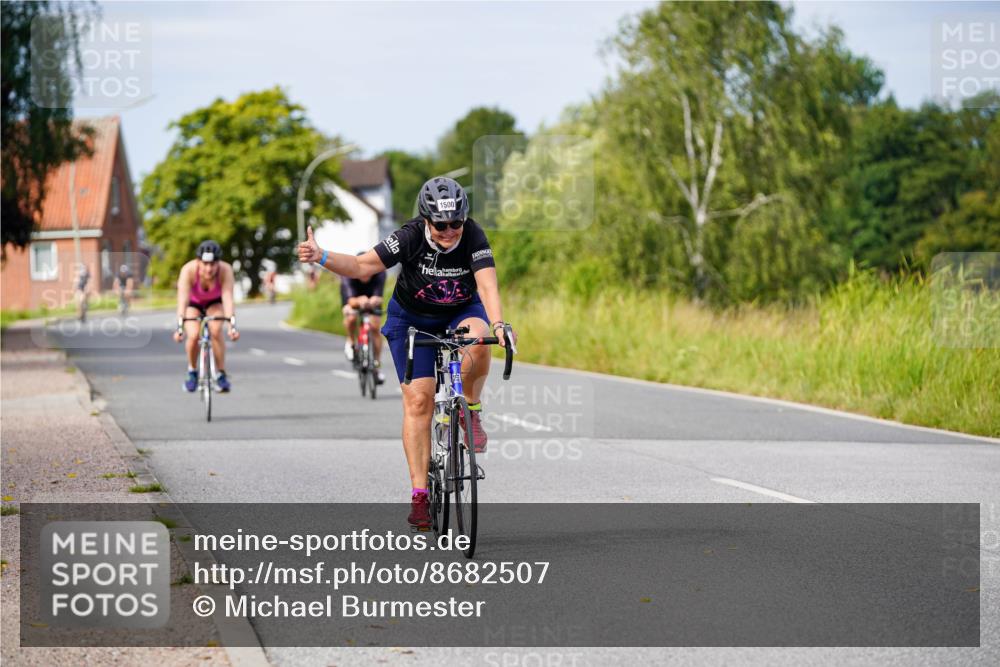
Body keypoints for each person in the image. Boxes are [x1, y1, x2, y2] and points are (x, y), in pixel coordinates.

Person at [298, 177, 515, 529]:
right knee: (419, 402)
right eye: (441, 225)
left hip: (460, 310)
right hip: (410, 319)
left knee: (479, 338)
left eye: (455, 223)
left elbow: (488, 284)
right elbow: (362, 266)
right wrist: (320, 255)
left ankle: (470, 411)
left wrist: (501, 323)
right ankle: (419, 494)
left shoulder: (473, 235)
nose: (449, 231)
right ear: (426, 219)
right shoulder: (409, 236)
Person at [172, 240, 240, 392]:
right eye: (205, 264)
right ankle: (192, 372)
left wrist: (232, 326)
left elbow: (228, 298)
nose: (209, 269)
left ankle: (221, 374)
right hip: (193, 304)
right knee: (194, 334)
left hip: (215, 303)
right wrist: (179, 327)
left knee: (216, 330)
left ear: (218, 262)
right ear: (198, 262)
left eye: (213, 264)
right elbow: (182, 300)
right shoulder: (188, 270)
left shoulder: (225, 270)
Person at [341, 253, 386, 384]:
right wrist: (358, 301)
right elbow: (350, 300)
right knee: (351, 317)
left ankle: (376, 365)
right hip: (353, 297)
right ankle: (350, 341)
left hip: (372, 299)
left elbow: (379, 296)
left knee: (375, 327)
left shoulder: (379, 273)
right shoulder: (348, 275)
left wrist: (374, 300)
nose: (365, 274)